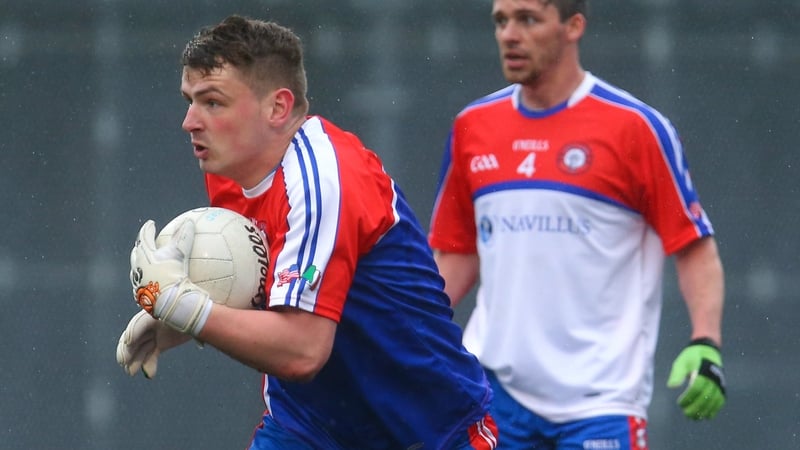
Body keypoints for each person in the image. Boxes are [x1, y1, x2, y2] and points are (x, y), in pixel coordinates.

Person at [115, 15, 499, 450]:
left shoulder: (323, 181)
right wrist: (175, 320)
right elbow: (260, 288)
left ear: (277, 108)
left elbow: (303, 351)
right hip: (307, 427)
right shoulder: (231, 171)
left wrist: (186, 308)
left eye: (213, 102)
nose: (190, 121)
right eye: (189, 101)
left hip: (426, 432)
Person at [428, 0, 727, 448]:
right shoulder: (472, 126)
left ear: (574, 26)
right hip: (494, 395)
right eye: (501, 21)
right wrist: (408, 337)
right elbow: (456, 254)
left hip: (601, 404)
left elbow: (694, 247)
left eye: (528, 19)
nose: (510, 34)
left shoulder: (637, 127)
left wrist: (706, 341)